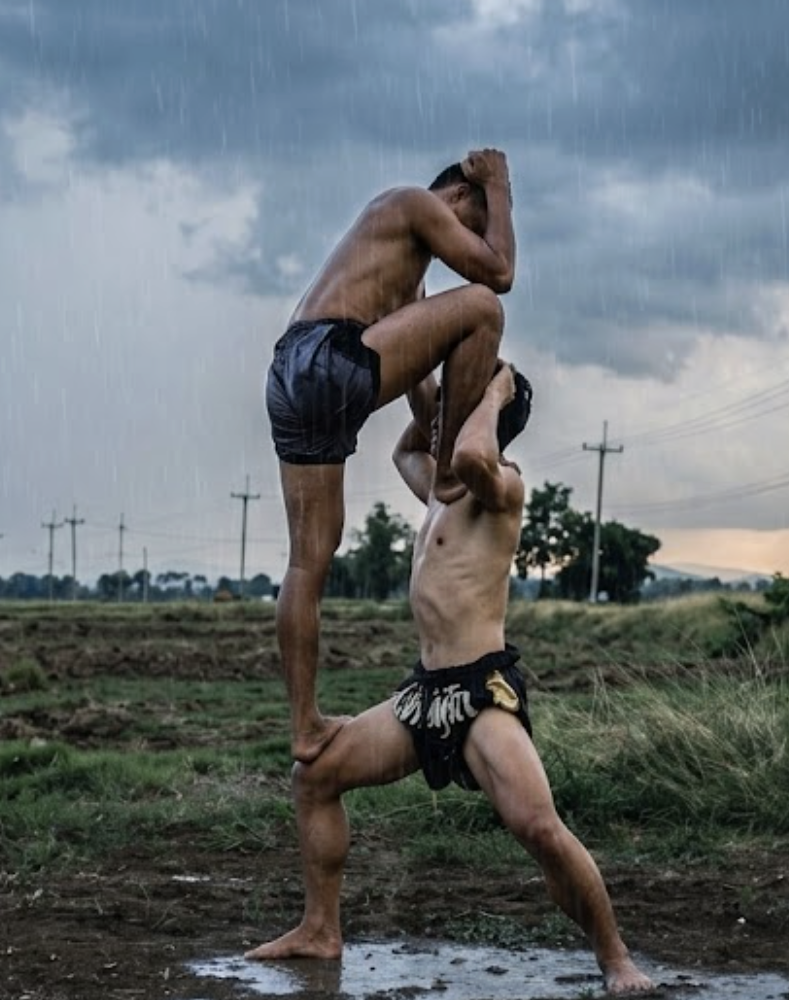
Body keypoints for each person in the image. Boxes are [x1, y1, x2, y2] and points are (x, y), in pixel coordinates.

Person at [246, 364, 654, 996]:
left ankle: (617, 958)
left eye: (459, 408)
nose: (445, 419)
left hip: (481, 692)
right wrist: (426, 372)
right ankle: (320, 928)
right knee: (315, 776)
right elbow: (410, 447)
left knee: (540, 829)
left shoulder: (501, 485)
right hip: (424, 695)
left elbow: (466, 453)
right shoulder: (441, 489)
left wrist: (492, 390)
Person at [266, 149, 516, 765]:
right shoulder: (414, 202)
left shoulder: (403, 273)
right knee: (485, 307)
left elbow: (421, 392)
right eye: (475, 222)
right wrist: (501, 185)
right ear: (457, 197)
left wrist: (440, 428)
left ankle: (305, 727)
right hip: (332, 355)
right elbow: (498, 274)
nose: (472, 241)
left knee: (309, 561)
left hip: (294, 373)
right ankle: (456, 473)